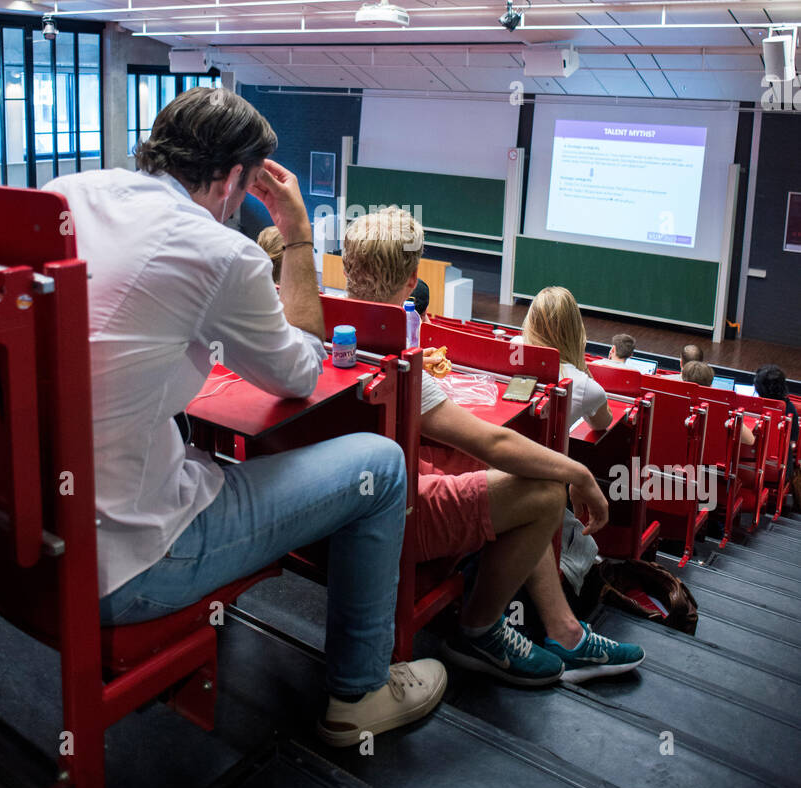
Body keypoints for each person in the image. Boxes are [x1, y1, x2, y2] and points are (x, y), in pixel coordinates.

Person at [45, 89, 446, 748]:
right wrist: (296, 234)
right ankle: (360, 693)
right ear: (237, 178)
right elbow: (296, 374)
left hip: (34, 535)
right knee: (382, 464)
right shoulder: (217, 249)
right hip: (126, 566)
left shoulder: (68, 192)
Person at [343, 210, 645, 686]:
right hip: (384, 514)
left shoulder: (317, 327)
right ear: (411, 280)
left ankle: (563, 630)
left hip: (346, 498)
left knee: (504, 462)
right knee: (544, 489)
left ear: (347, 267)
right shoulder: (394, 355)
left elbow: (493, 449)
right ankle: (478, 631)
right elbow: (496, 439)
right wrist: (579, 475)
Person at [522, 288, 613, 433]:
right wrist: (581, 363)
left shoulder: (512, 352)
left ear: (531, 321)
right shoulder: (585, 386)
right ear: (575, 328)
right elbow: (602, 423)